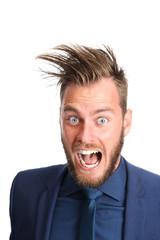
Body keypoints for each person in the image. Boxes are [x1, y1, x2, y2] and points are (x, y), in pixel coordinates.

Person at [9, 45, 160, 240]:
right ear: (60, 119)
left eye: (102, 120)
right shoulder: (26, 190)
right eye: (73, 119)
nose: (85, 137)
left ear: (125, 123)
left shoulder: (156, 197)